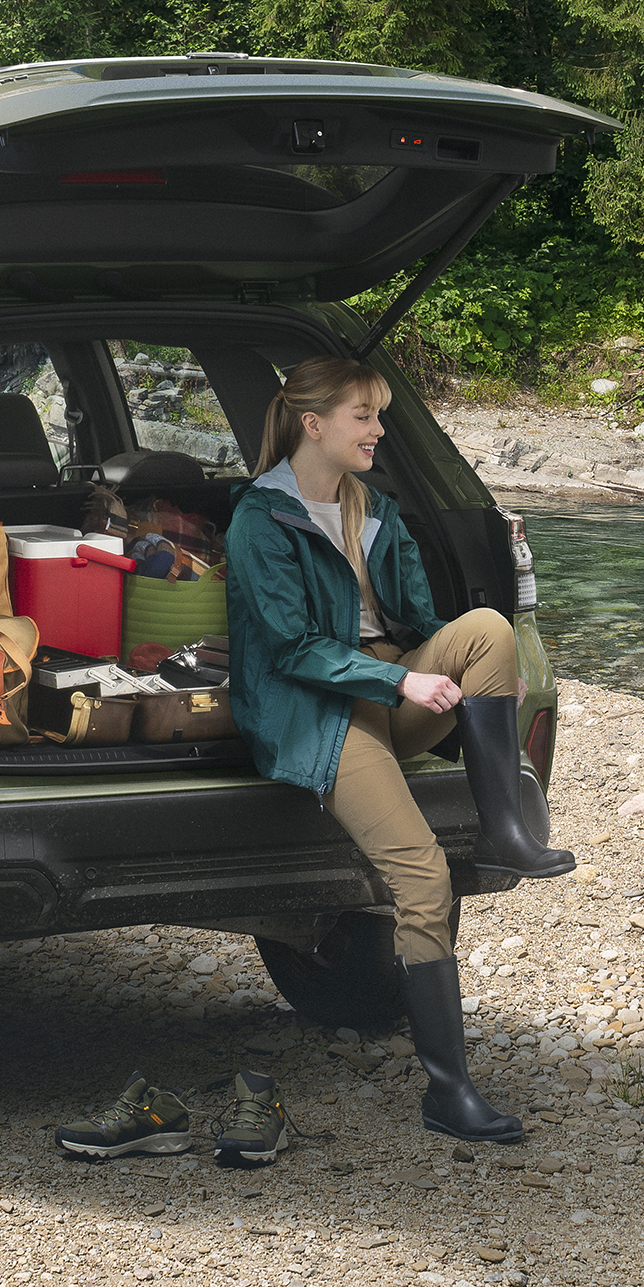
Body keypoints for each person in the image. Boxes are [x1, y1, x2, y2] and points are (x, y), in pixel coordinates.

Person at [224, 355, 572, 1144]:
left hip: (387, 687)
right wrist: (403, 687)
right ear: (313, 424)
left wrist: (486, 680)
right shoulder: (259, 518)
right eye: (365, 416)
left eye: (380, 415)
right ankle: (449, 1091)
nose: (380, 430)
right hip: (317, 707)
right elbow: (289, 646)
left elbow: (420, 622)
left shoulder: (374, 507)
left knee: (487, 628)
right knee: (420, 874)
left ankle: (502, 827)